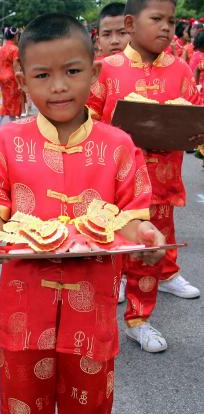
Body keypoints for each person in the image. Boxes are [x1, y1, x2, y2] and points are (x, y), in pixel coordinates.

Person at [0, 13, 165, 414]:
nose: (58, 87)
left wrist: (144, 239)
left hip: (91, 305)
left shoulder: (118, 147)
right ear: (22, 77)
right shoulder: (7, 143)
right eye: (42, 75)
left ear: (95, 73)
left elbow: (132, 221)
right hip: (23, 308)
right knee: (23, 400)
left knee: (89, 399)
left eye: (72, 71)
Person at [88, 0, 201, 353]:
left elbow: (195, 118)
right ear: (130, 23)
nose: (167, 27)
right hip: (113, 187)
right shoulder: (107, 68)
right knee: (104, 252)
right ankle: (96, 320)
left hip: (161, 185)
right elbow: (87, 118)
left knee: (151, 253)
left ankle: (139, 319)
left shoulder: (181, 70)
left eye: (171, 20)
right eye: (157, 19)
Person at [0, 27, 23, 132]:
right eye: (18, 35)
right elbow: (16, 66)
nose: (18, 37)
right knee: (10, 101)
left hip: (2, 76)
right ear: (15, 36)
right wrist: (19, 81)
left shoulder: (2, 49)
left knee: (8, 100)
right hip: (12, 77)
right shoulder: (15, 49)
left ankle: (12, 123)